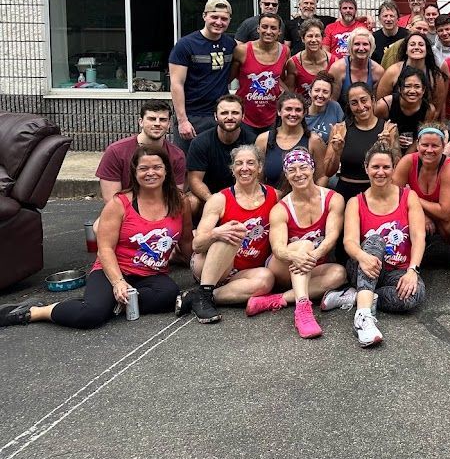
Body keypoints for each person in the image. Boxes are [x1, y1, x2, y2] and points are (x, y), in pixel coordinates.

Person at [2, 147, 191, 329]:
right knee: (91, 314)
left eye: (157, 167)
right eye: (143, 168)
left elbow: (186, 241)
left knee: (169, 295)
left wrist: (201, 270)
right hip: (114, 269)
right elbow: (105, 249)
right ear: (134, 172)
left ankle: (109, 304)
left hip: (152, 274)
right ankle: (36, 311)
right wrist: (118, 282)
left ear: (167, 170)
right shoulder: (119, 203)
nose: (151, 173)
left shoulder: (180, 201)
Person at [244, 148, 348, 339]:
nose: (299, 174)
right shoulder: (281, 208)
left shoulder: (333, 199)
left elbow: (332, 237)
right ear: (286, 174)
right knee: (305, 244)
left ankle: (277, 299)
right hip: (281, 267)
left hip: (312, 263)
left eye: (303, 167)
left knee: (339, 274)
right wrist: (300, 255)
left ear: (312, 168)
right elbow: (278, 248)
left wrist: (313, 257)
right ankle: (302, 309)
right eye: (292, 170)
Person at [178, 145, 278, 323]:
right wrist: (216, 232)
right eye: (239, 163)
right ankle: (206, 290)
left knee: (266, 280)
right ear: (233, 169)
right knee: (231, 233)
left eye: (250, 163)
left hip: (246, 271)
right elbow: (197, 244)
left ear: (260, 167)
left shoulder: (273, 196)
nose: (244, 168)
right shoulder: (220, 199)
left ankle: (202, 295)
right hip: (214, 266)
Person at [342, 142, 427, 348]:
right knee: (375, 240)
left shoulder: (408, 197)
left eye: (386, 167)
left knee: (414, 295)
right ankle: (363, 318)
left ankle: (357, 297)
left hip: (395, 270)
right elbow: (349, 241)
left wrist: (412, 270)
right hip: (364, 266)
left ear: (393, 168)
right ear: (366, 168)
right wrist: (362, 257)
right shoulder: (356, 202)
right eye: (375, 167)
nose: (380, 172)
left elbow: (418, 236)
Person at [169, 0, 237, 151]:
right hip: (193, 116)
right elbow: (176, 84)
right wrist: (182, 120)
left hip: (220, 115)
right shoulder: (185, 45)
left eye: (224, 19)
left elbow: (233, 72)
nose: (219, 22)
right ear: (204, 16)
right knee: (188, 164)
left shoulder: (230, 44)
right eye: (214, 17)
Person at [96, 100, 186, 202]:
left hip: (161, 210)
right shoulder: (116, 151)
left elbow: (175, 197)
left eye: (163, 120)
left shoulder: (177, 155)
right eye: (151, 119)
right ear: (141, 122)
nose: (157, 123)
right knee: (102, 218)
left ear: (169, 124)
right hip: (123, 210)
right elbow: (111, 200)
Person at [186, 95, 257, 219]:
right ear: (215, 116)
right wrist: (213, 200)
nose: (230, 117)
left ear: (243, 116)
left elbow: (257, 177)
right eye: (224, 113)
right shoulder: (200, 142)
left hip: (242, 194)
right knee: (190, 201)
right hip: (208, 196)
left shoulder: (253, 141)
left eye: (235, 113)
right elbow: (194, 180)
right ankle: (190, 234)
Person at [323, 82, 391, 201]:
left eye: (364, 100)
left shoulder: (388, 129)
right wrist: (337, 152)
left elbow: (397, 170)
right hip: (346, 192)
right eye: (354, 103)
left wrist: (388, 147)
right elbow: (328, 172)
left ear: (373, 99)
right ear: (349, 106)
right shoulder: (340, 129)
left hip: (377, 192)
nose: (360, 107)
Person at [393, 123, 450, 240]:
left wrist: (411, 196)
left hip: (440, 215)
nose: (429, 150)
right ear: (417, 145)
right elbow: (393, 195)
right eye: (425, 145)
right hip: (414, 209)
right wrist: (421, 215)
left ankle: (445, 249)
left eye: (434, 146)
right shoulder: (408, 161)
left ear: (443, 146)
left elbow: (445, 212)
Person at [256, 92, 327, 190]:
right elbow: (258, 177)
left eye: (298, 110)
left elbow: (322, 176)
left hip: (304, 201)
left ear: (304, 113)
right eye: (288, 109)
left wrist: (315, 198)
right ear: (279, 112)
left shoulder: (314, 141)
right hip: (273, 200)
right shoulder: (263, 140)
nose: (293, 114)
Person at [231, 12, 288, 133]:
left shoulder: (284, 51)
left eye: (273, 28)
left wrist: (288, 95)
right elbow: (229, 78)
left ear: (279, 32)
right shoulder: (242, 50)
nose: (268, 31)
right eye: (264, 27)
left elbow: (281, 79)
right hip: (245, 117)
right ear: (258, 29)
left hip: (272, 116)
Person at [377, 32, 448, 119]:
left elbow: (436, 109)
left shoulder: (435, 76)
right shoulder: (393, 71)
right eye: (412, 44)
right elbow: (380, 101)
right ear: (406, 50)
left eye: (421, 44)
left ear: (427, 50)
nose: (416, 47)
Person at [375, 66, 435, 154]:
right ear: (399, 88)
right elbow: (372, 129)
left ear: (423, 90)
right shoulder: (384, 105)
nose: (412, 91)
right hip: (384, 149)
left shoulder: (429, 110)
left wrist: (406, 159)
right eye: (407, 86)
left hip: (412, 153)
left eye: (417, 87)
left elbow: (421, 137)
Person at [284, 18, 336, 102]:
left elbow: (334, 95)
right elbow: (290, 93)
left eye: (317, 36)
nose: (314, 40)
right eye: (310, 36)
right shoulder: (293, 63)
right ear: (302, 38)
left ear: (322, 38)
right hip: (302, 110)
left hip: (325, 109)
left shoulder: (333, 61)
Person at [328, 26, 383, 101]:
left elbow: (376, 103)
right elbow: (332, 102)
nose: (361, 48)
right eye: (357, 44)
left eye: (365, 44)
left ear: (371, 47)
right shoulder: (337, 68)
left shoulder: (378, 71)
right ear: (350, 46)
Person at [305, 72, 344, 145]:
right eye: (316, 90)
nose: (320, 95)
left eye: (325, 92)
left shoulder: (335, 107)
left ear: (330, 96)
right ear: (310, 92)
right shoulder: (302, 111)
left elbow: (342, 129)